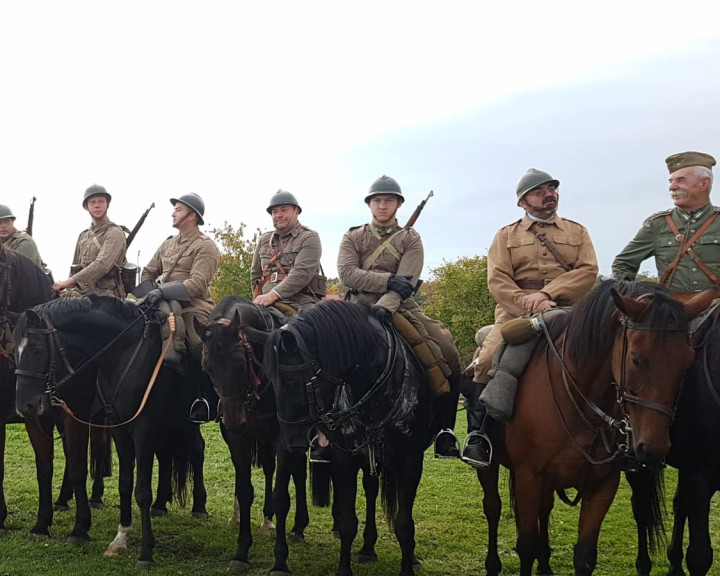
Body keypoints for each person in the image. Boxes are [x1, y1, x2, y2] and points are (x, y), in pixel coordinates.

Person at [463, 168, 598, 467]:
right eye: (540, 191)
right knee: (486, 361)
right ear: (522, 202)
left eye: (552, 189)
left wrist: (549, 294)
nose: (548, 194)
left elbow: (588, 271)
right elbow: (497, 279)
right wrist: (526, 301)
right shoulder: (505, 235)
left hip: (569, 312)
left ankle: (618, 435)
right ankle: (478, 435)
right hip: (515, 312)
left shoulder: (578, 232)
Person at [337, 175, 463, 458]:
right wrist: (388, 281)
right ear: (370, 205)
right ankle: (319, 430)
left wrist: (387, 302)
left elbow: (406, 282)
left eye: (388, 200)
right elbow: (347, 274)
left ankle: (446, 429)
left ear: (398, 205)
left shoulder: (410, 238)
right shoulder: (353, 236)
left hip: (399, 307)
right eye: (377, 201)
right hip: (356, 307)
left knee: (446, 349)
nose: (382, 206)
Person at [141, 194, 220, 422]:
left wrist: (162, 291)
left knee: (197, 344)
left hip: (193, 306)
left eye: (178, 209)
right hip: (161, 304)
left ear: (192, 215)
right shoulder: (167, 244)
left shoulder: (205, 246)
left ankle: (206, 398)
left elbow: (196, 285)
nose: (173, 213)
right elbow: (148, 272)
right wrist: (151, 295)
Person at [613, 151, 719, 298]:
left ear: (704, 183)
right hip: (672, 312)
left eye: (681, 180)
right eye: (671, 181)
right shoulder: (657, 224)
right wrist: (632, 295)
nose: (672, 187)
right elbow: (623, 263)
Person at [250, 190, 325, 314]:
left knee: (314, 327)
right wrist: (258, 299)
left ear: (296, 211)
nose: (278, 215)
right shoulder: (264, 240)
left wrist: (273, 295)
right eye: (274, 212)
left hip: (300, 301)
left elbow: (302, 273)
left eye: (284, 210)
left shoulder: (309, 237)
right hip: (265, 301)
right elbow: (255, 274)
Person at [52, 185, 127, 297]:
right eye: (92, 202)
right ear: (86, 207)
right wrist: (65, 286)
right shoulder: (83, 236)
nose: (97, 205)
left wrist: (69, 281)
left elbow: (102, 264)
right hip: (82, 292)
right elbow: (75, 266)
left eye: (101, 201)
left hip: (106, 295)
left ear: (107, 204)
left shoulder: (114, 232)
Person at [0, 203, 51, 276]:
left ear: (12, 222)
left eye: (7, 221)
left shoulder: (24, 241)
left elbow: (18, 272)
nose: (3, 226)